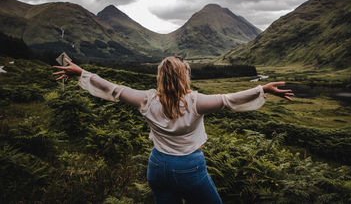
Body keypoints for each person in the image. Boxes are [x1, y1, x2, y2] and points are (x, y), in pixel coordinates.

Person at [53, 56, 294, 204]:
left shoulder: (145, 100)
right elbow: (229, 99)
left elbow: (113, 88)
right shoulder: (195, 102)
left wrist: (81, 73)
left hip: (157, 165)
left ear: (160, 77)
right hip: (190, 166)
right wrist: (263, 89)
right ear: (183, 76)